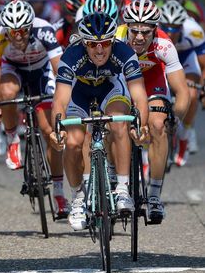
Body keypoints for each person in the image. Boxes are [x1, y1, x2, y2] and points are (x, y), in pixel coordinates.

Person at [50, 12, 149, 231]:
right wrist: (58, 129)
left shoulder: (124, 52)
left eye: (105, 43)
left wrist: (141, 125)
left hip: (110, 88)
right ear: (83, 43)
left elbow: (139, 95)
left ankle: (122, 189)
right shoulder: (71, 55)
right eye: (92, 44)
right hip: (80, 93)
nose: (100, 49)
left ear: (113, 40)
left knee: (119, 123)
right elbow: (60, 100)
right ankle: (78, 197)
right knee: (73, 142)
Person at [0, 0, 69, 217]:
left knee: (49, 130)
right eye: (13, 31)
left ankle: (59, 193)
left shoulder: (44, 30)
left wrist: (63, 99)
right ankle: (12, 138)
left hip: (42, 71)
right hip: (13, 70)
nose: (18, 36)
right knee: (6, 94)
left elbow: (59, 69)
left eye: (23, 30)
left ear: (31, 26)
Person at [117, 0, 190, 222]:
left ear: (154, 30)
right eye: (135, 31)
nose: (139, 37)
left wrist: (175, 119)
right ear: (127, 27)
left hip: (152, 84)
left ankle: (155, 195)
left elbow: (182, 91)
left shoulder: (163, 44)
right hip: (122, 83)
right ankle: (114, 180)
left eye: (146, 32)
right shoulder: (116, 39)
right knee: (114, 123)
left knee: (158, 125)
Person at [159, 0, 205, 164]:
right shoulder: (154, 30)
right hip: (162, 59)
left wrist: (202, 89)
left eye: (175, 28)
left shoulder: (194, 32)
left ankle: (184, 136)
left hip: (185, 59)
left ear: (182, 27)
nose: (170, 33)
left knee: (191, 95)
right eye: (166, 27)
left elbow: (203, 65)